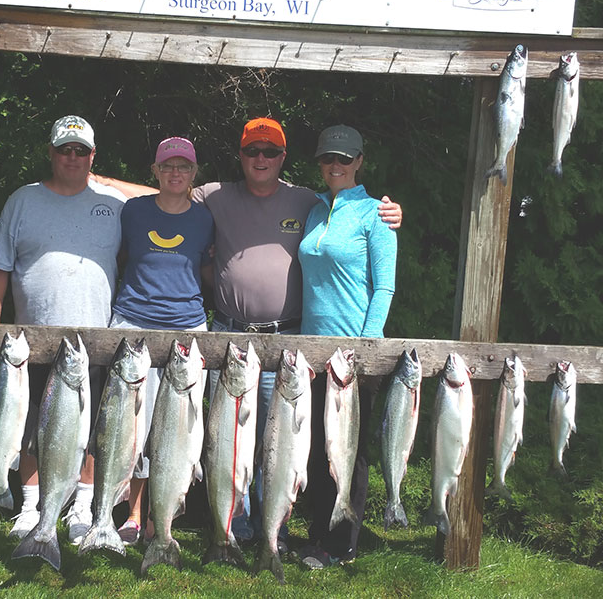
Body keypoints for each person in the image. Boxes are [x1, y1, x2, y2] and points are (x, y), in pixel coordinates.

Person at [95, 117, 402, 551]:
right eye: (253, 151)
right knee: (226, 440)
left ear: (284, 158)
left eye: (270, 152)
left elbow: (358, 218)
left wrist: (388, 210)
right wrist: (95, 179)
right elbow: (168, 190)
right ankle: (231, 525)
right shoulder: (217, 195)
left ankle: (273, 527)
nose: (261, 159)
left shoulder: (309, 202)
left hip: (286, 344)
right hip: (229, 338)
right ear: (241, 155)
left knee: (281, 443)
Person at [0, 115, 145, 541]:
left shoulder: (114, 203)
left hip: (97, 340)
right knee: (32, 425)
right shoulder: (23, 200)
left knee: (92, 432)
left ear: (93, 156)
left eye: (81, 150)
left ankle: (82, 509)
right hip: (31, 342)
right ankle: (33, 508)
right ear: (50, 153)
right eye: (64, 149)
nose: (72, 157)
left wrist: (107, 180)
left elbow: (168, 196)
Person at [296, 124, 397, 569]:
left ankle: (342, 546)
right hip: (312, 351)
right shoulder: (315, 210)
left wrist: (365, 345)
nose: (334, 166)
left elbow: (385, 287)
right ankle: (320, 535)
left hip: (353, 358)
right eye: (326, 159)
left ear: (359, 162)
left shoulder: (377, 215)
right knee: (318, 448)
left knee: (350, 452)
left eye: (343, 159)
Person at [108, 137, 214, 545]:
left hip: (187, 327)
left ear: (193, 173)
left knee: (177, 429)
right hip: (133, 323)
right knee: (135, 423)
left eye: (184, 167)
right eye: (168, 166)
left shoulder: (206, 218)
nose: (175, 173)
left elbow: (207, 265)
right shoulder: (133, 211)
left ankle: (161, 518)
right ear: (154, 171)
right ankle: (132, 515)